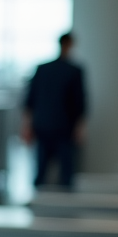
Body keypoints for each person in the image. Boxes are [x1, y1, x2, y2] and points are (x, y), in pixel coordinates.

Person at [22, 32, 87, 189]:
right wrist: (80, 127)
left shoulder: (42, 69)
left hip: (43, 124)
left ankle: (37, 206)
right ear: (70, 45)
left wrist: (27, 125)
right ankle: (66, 208)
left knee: (41, 170)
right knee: (66, 173)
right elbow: (80, 102)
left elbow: (30, 100)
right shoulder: (74, 71)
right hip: (64, 127)